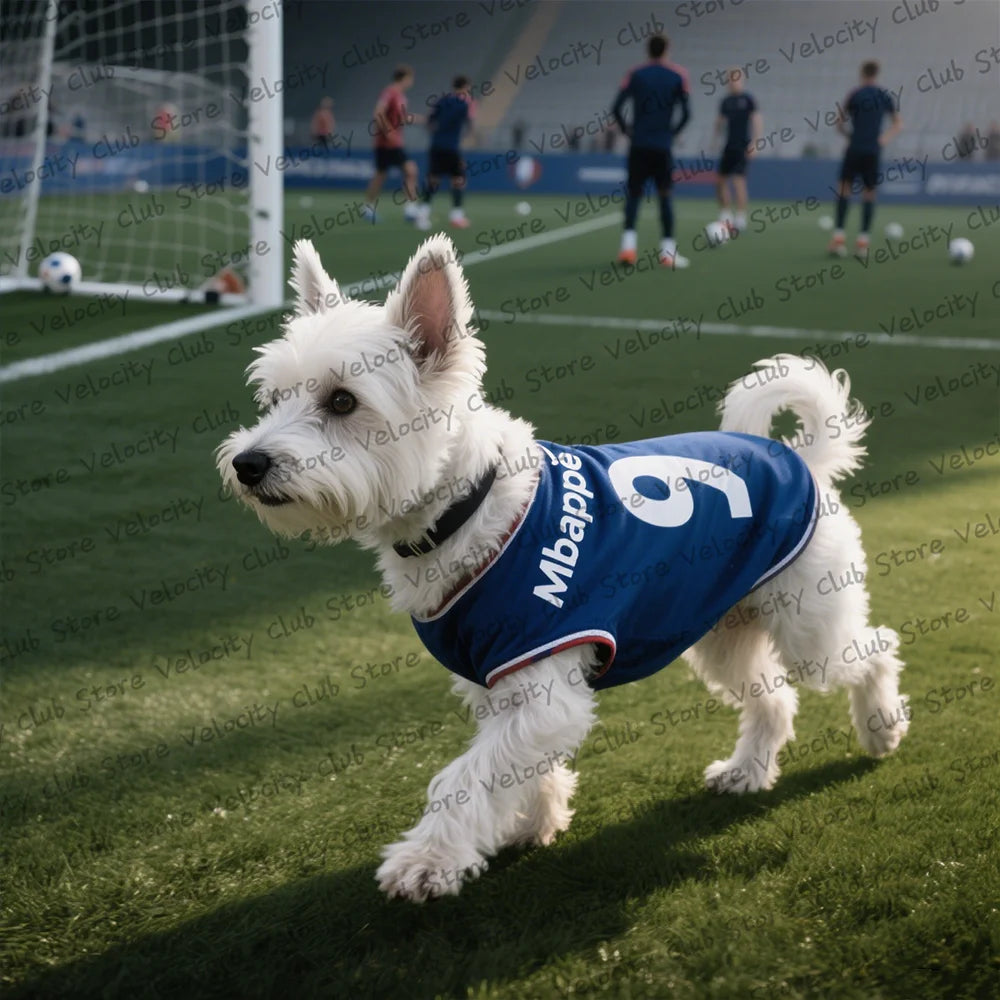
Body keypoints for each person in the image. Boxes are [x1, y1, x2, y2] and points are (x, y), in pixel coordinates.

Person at [611, 33, 691, 269]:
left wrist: (628, 131)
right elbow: (687, 113)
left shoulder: (635, 74)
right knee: (665, 196)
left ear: (647, 50)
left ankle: (628, 249)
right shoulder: (678, 75)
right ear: (667, 50)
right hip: (662, 146)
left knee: (634, 195)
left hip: (639, 145)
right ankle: (667, 253)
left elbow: (616, 108)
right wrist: (673, 132)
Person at [829, 61, 902, 260]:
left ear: (861, 73)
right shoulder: (884, 96)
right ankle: (863, 244)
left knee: (844, 189)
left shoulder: (855, 94)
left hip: (854, 148)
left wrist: (849, 135)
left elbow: (838, 122)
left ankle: (838, 239)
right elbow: (898, 123)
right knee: (869, 194)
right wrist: (882, 140)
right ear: (877, 74)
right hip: (872, 150)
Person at [363, 66, 425, 223]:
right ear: (404, 78)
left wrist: (421, 119)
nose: (412, 81)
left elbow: (401, 118)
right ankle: (410, 210)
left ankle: (368, 208)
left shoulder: (400, 96)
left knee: (381, 175)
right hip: (388, 143)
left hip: (392, 143)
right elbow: (378, 113)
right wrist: (389, 133)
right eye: (411, 78)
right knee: (410, 171)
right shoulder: (390, 92)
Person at [419, 75, 475, 231]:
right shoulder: (464, 104)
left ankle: (423, 214)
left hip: (436, 145)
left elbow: (429, 121)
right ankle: (456, 216)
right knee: (458, 179)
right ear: (464, 87)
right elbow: (469, 124)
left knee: (433, 180)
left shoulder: (441, 101)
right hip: (451, 147)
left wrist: (438, 133)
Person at [715, 69, 762, 235]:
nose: (733, 82)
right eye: (730, 79)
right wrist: (715, 140)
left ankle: (741, 218)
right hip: (728, 146)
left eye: (736, 79)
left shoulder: (748, 99)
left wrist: (755, 144)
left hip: (743, 146)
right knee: (720, 180)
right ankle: (725, 215)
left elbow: (756, 120)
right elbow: (719, 122)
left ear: (741, 80)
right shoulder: (725, 101)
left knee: (738, 181)